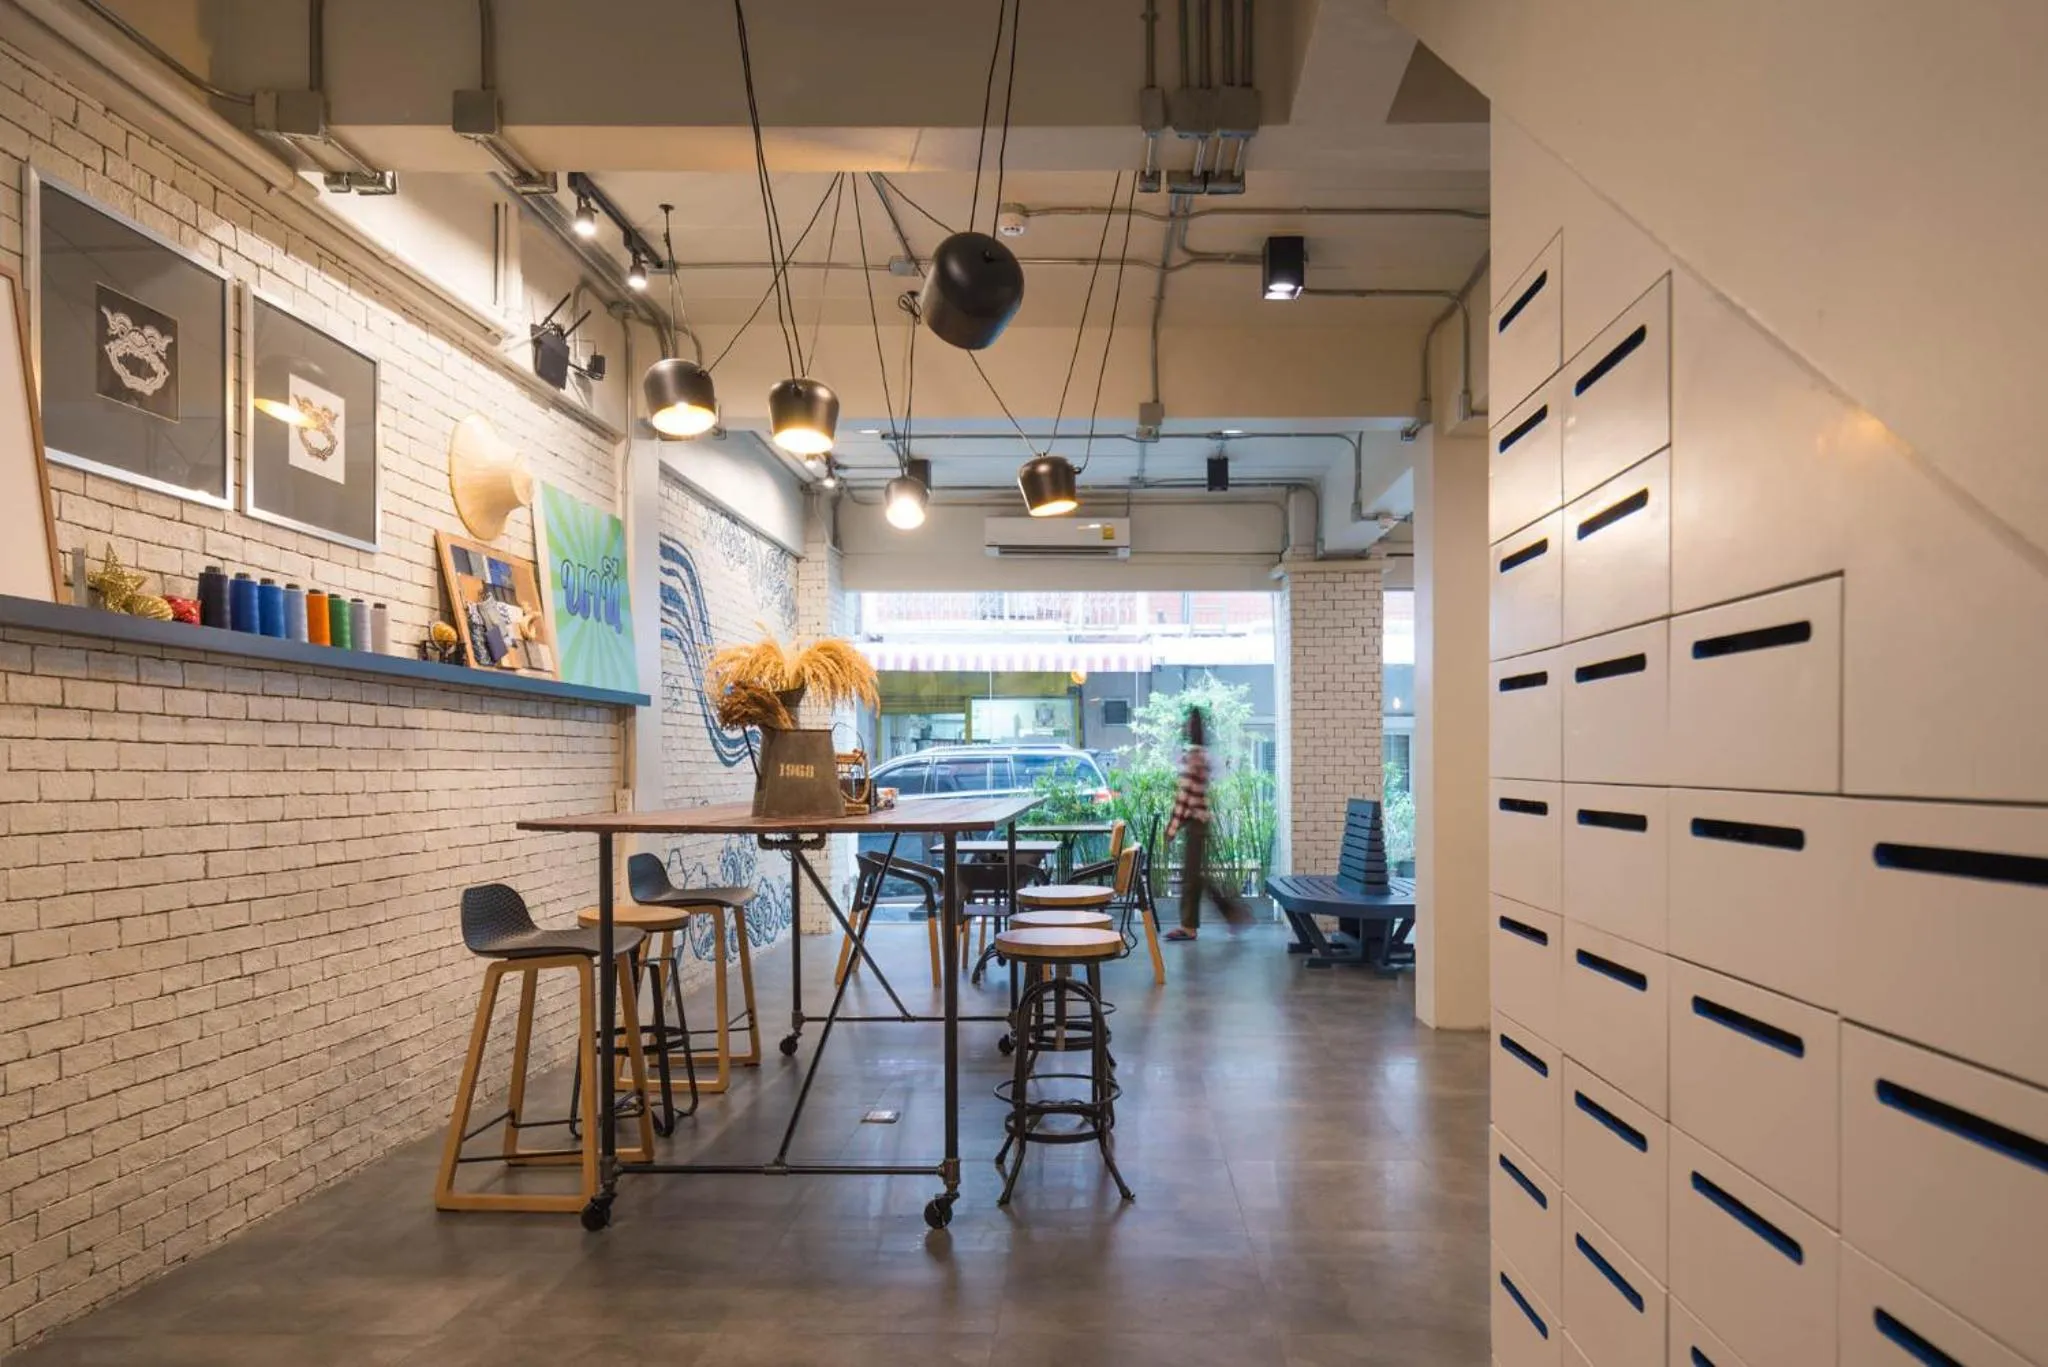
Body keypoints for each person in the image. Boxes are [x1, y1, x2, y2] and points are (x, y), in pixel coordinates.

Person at [1162, 706, 1252, 941]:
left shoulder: (1193, 758)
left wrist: (1171, 828)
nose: (1183, 727)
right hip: (1199, 824)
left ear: (1191, 728)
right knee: (1197, 876)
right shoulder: (1200, 755)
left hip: (1195, 825)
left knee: (1192, 878)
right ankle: (1232, 914)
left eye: (1187, 723)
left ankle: (1193, 925)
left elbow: (1185, 797)